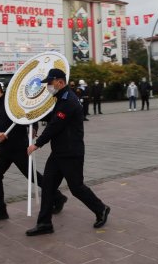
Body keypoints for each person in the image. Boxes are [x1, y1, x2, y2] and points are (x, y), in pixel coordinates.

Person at [25, 68, 110, 236]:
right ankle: (44, 224)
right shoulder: (60, 98)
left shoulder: (69, 100)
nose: (48, 86)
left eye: (50, 83)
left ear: (60, 82)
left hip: (71, 153)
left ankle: (101, 209)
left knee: (76, 188)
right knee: (48, 187)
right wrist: (33, 117)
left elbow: (56, 125)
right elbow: (52, 117)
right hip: (58, 153)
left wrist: (37, 144)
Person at [0, 80, 67, 223]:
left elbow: (29, 114)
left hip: (19, 147)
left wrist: (33, 129)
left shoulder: (11, 102)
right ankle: (0, 210)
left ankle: (58, 197)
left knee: (33, 176)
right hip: (4, 149)